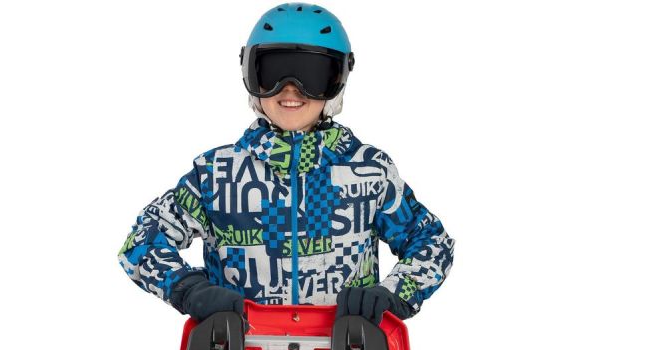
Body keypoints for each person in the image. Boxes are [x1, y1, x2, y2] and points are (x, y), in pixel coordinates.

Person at [118, 2, 454, 325]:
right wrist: (189, 289)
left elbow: (431, 241)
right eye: (273, 73)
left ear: (335, 81)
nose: (291, 89)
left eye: (312, 75)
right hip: (239, 349)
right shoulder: (215, 175)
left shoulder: (369, 171)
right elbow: (141, 242)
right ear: (252, 75)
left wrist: (392, 294)